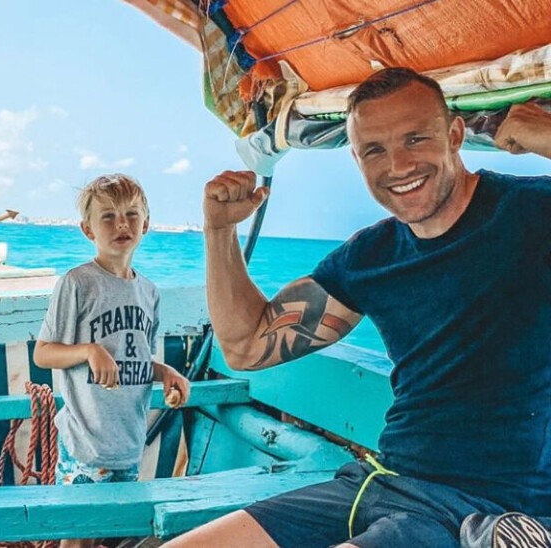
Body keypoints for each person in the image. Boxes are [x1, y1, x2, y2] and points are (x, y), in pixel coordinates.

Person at [164, 67, 551, 548]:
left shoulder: (534, 213)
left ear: (454, 135)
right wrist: (219, 230)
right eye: (375, 150)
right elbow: (247, 347)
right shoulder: (371, 256)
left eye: (415, 139)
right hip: (380, 484)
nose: (398, 165)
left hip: (491, 508)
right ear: (356, 159)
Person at [34, 173, 191, 548]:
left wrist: (166, 372)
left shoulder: (149, 292)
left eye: (131, 214)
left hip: (128, 444)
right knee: (75, 538)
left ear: (146, 224)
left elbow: (135, 361)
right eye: (108, 216)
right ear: (88, 229)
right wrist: (89, 350)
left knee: (104, 534)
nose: (122, 223)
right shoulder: (77, 283)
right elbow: (43, 354)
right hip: (86, 445)